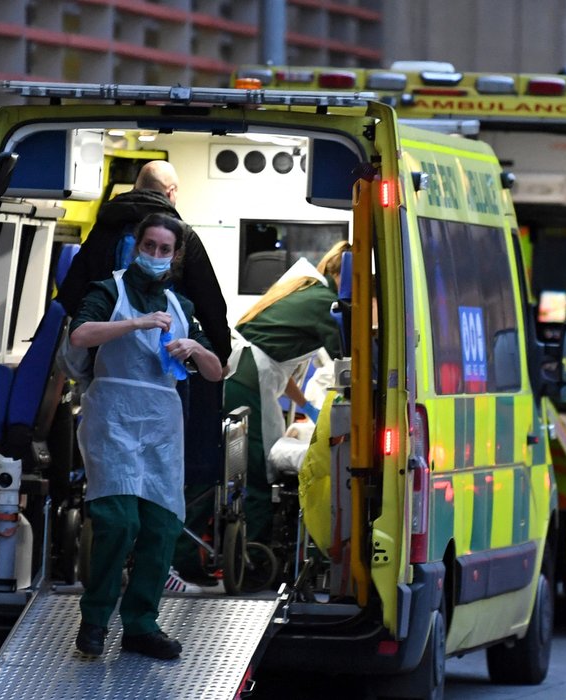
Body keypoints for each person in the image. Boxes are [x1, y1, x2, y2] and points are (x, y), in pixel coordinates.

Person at [69, 213, 224, 661]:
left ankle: (140, 624)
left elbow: (215, 371)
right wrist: (135, 324)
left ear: (176, 257)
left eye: (164, 249)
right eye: (149, 245)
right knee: (120, 522)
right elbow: (81, 334)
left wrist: (194, 347)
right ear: (136, 246)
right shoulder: (108, 290)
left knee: (162, 526)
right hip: (114, 419)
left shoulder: (181, 307)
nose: (155, 255)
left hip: (159, 427)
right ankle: (95, 619)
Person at [175, 241, 349, 580]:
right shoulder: (325, 303)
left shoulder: (306, 289)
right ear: (341, 273)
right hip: (249, 378)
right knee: (254, 472)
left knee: (220, 467)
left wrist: (306, 407)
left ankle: (191, 556)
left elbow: (279, 364)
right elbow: (347, 356)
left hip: (242, 374)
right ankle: (250, 562)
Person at [55, 160, 231, 363]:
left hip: (104, 350)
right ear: (171, 192)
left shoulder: (104, 228)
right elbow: (209, 302)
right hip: (163, 352)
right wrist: (221, 354)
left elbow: (72, 292)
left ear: (135, 188)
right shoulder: (181, 235)